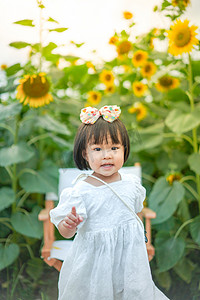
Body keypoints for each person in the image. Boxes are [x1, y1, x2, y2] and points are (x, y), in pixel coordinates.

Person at [50, 105, 170, 300]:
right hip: (95, 264)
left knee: (134, 292)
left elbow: (136, 212)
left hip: (130, 260)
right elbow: (65, 232)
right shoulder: (80, 192)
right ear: (84, 154)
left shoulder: (131, 184)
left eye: (114, 148)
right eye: (97, 149)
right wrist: (68, 224)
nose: (107, 155)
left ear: (124, 149)